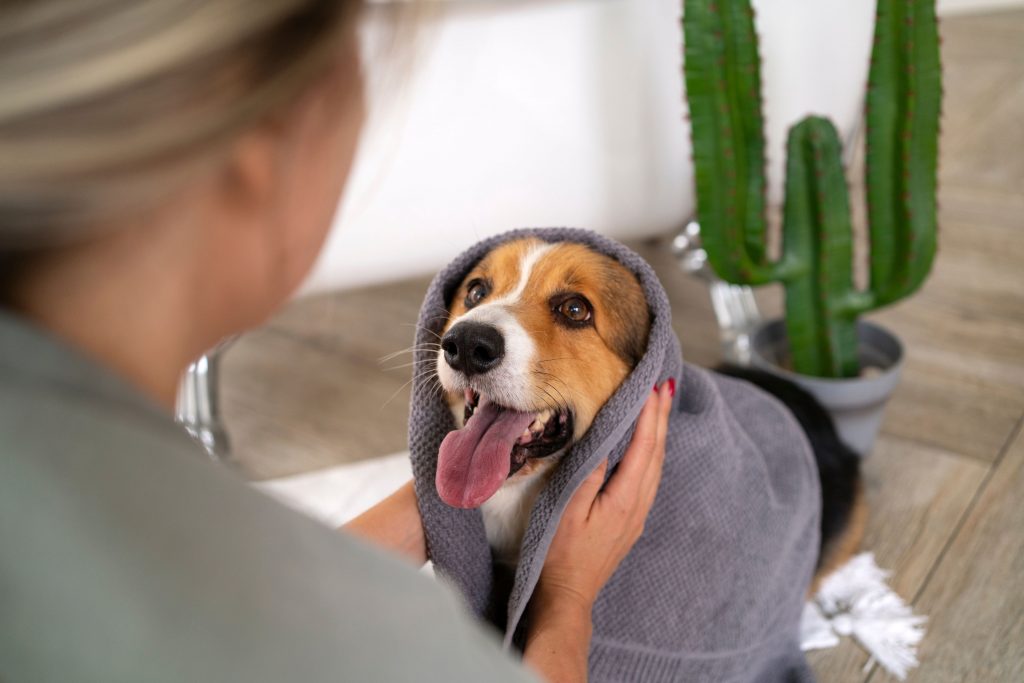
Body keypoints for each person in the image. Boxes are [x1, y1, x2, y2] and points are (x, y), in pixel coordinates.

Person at [0, 2, 672, 681]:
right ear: (264, 143)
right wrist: (569, 600)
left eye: (571, 309)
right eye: (476, 292)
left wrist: (436, 503)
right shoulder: (392, 646)